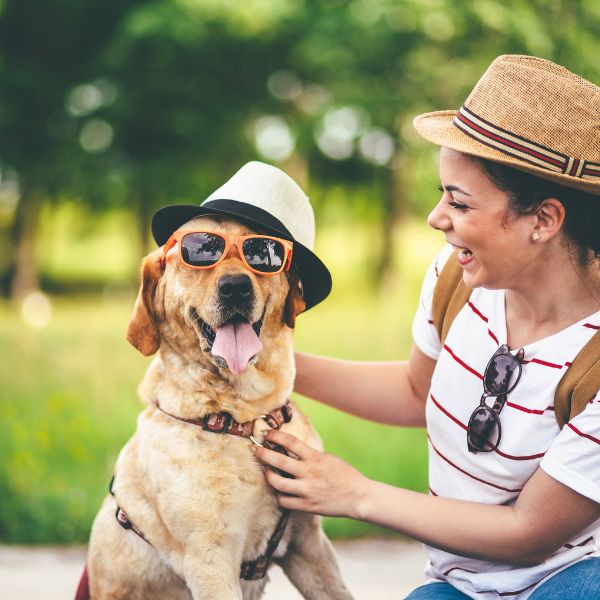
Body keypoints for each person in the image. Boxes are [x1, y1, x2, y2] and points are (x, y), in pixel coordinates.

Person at [253, 55, 600, 599]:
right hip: (459, 585)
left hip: (571, 581)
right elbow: (417, 391)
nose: (437, 218)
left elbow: (528, 533)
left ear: (544, 220)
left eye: (458, 202)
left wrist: (354, 494)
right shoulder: (457, 281)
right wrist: (269, 364)